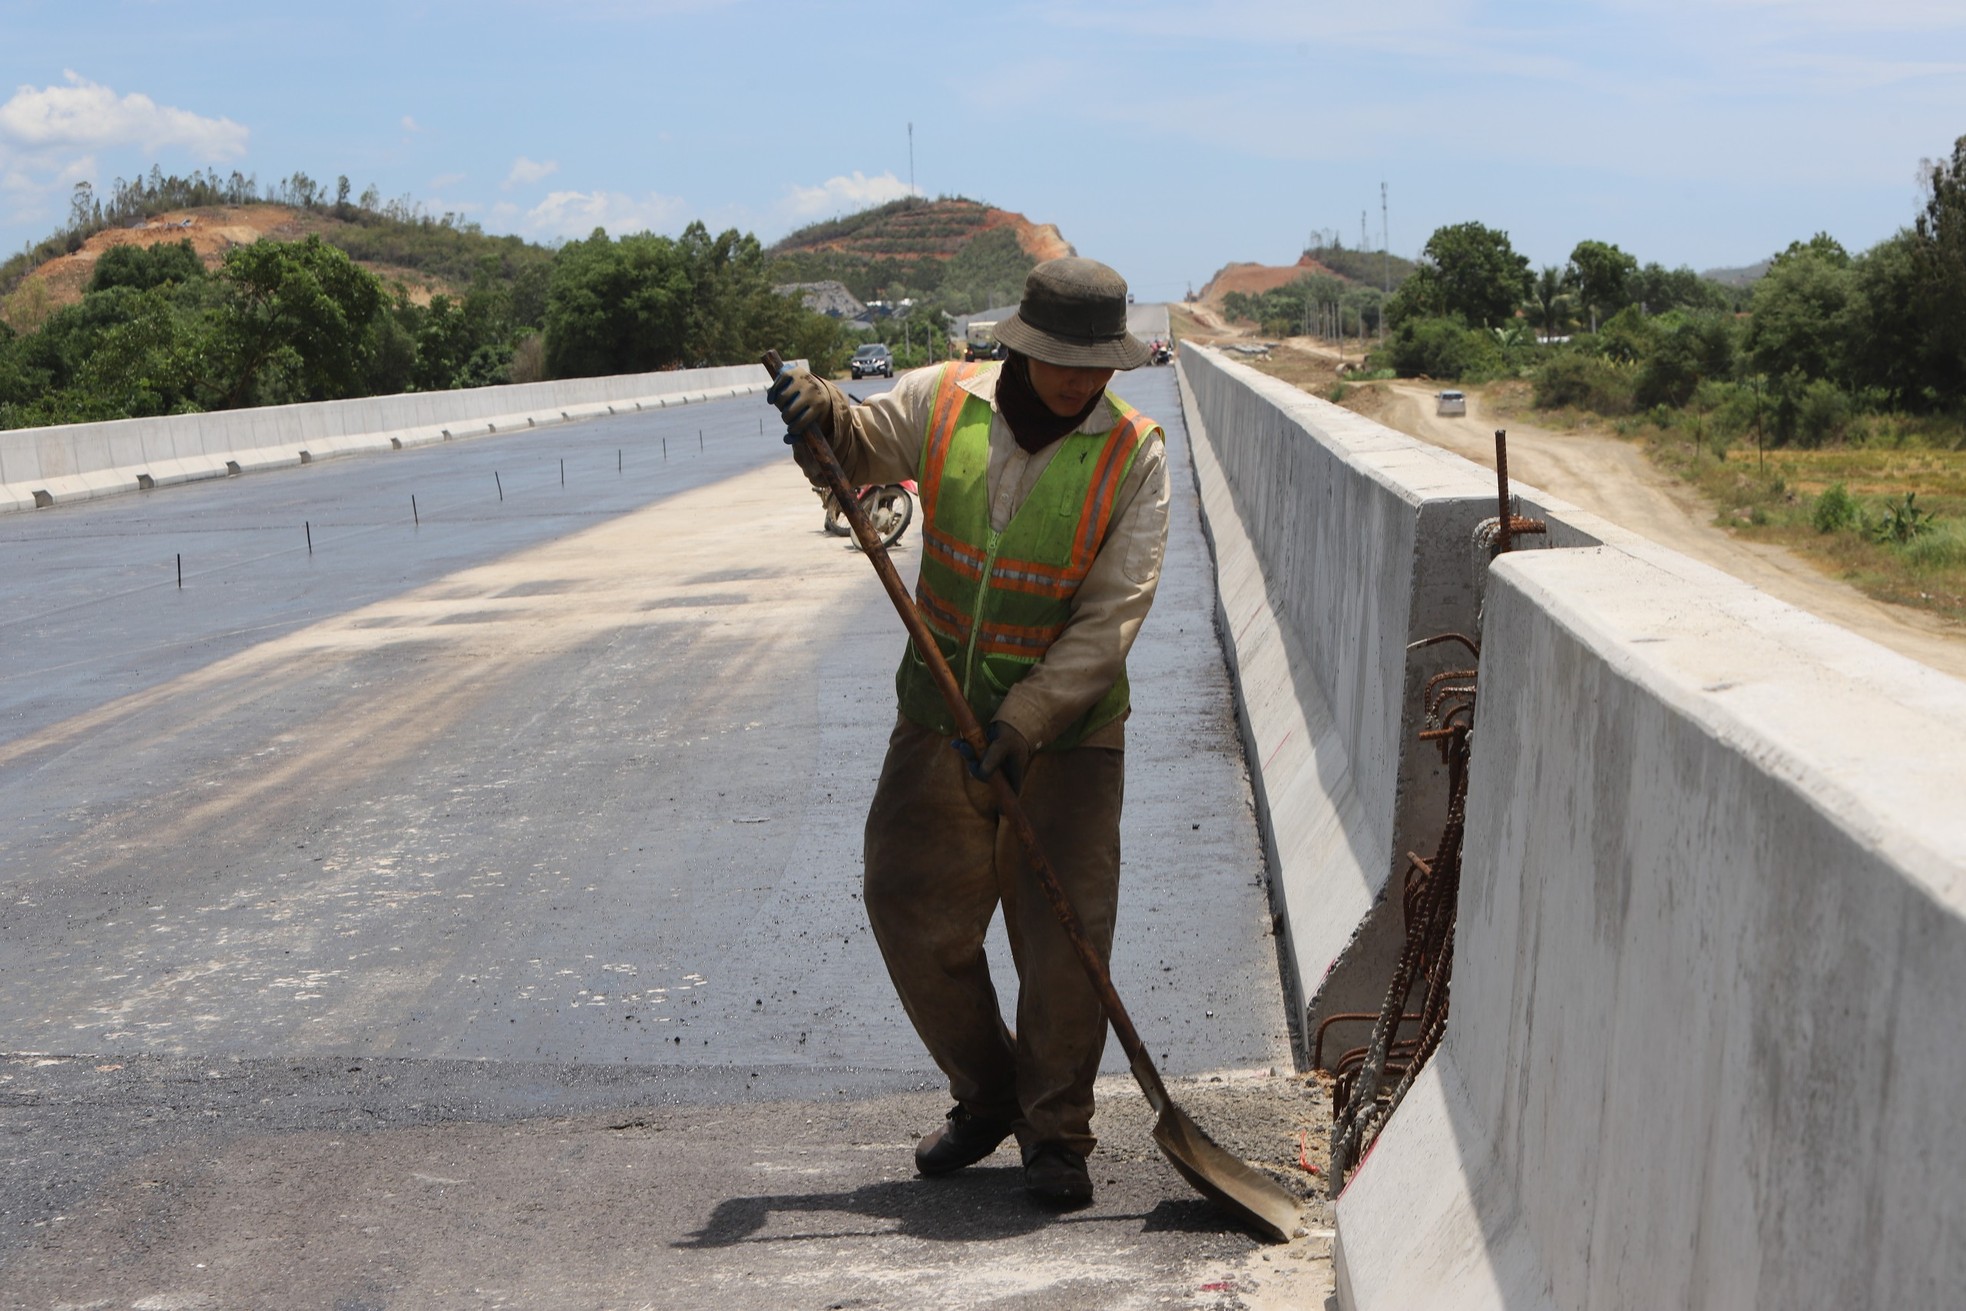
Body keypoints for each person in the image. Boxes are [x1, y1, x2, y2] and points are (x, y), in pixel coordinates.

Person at [766, 257, 1170, 1208]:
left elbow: (1113, 616)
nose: (1079, 380)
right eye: (1062, 359)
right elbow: (857, 449)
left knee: (1063, 939)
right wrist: (820, 409)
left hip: (1068, 737)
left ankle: (1058, 1135)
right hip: (939, 711)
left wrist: (1029, 718)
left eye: (1096, 363)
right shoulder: (942, 400)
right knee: (907, 902)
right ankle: (990, 1095)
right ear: (1023, 346)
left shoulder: (1134, 454)